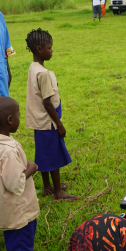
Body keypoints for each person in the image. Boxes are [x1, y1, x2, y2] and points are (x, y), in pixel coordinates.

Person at [0, 96, 41, 251]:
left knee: (21, 237)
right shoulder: (7, 151)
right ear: (10, 120)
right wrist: (32, 168)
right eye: (18, 115)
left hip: (9, 207)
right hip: (17, 207)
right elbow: (14, 184)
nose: (19, 118)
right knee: (20, 236)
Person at [25, 29, 80, 201]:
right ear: (40, 49)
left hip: (38, 121)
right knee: (53, 155)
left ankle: (47, 187)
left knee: (43, 153)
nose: (52, 50)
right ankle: (58, 192)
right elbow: (48, 102)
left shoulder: (33, 68)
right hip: (48, 121)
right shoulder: (43, 73)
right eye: (50, 48)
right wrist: (59, 124)